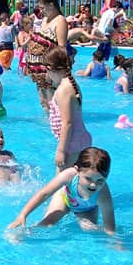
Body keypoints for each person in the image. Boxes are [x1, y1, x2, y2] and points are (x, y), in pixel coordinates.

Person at [7, 147, 115, 234]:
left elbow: (110, 229)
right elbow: (44, 194)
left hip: (87, 209)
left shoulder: (103, 194)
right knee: (47, 224)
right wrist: (23, 215)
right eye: (88, 178)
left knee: (90, 230)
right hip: (65, 199)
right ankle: (20, 234)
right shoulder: (69, 175)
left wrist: (117, 245)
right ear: (77, 170)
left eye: (100, 181)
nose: (93, 185)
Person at [44, 46, 92, 174]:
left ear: (50, 68)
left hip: (72, 143)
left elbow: (67, 123)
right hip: (78, 139)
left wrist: (61, 151)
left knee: (60, 184)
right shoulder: (71, 83)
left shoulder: (63, 90)